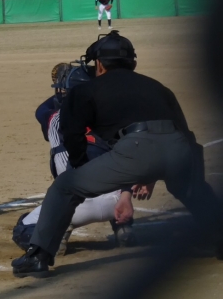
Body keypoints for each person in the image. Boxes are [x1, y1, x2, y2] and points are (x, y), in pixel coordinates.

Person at [12, 30, 223, 278]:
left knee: (65, 187)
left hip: (135, 146)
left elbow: (72, 134)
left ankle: (38, 256)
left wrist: (80, 169)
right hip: (179, 148)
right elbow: (187, 136)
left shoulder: (86, 89)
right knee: (192, 190)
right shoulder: (159, 88)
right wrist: (194, 179)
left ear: (100, 64)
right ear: (133, 62)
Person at [12, 63, 136, 255]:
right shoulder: (111, 116)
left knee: (23, 227)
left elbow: (42, 109)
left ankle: (59, 234)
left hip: (75, 205)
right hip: (118, 203)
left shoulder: (53, 117)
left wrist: (70, 92)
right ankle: (124, 228)